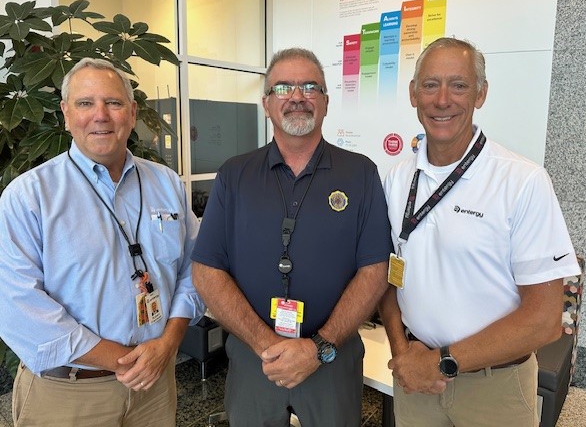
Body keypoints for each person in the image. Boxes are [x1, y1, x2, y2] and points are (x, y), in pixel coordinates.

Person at [379, 37, 582, 427]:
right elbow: (388, 276)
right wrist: (402, 352)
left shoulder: (522, 181)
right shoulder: (397, 178)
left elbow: (544, 320)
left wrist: (441, 362)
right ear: (412, 94)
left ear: (481, 94)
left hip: (495, 388)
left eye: (459, 85)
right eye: (430, 84)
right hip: (417, 381)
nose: (442, 100)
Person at [191, 47, 393, 426]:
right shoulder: (234, 175)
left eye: (310, 87)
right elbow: (206, 271)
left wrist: (319, 347)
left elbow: (375, 270)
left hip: (332, 359)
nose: (297, 97)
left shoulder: (361, 173)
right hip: (256, 360)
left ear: (326, 103)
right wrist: (266, 345)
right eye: (283, 87)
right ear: (267, 103)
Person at [0, 58, 205, 426]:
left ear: (132, 112)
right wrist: (124, 360)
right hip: (69, 396)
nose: (100, 115)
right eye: (84, 103)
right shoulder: (29, 196)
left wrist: (168, 343)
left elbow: (195, 267)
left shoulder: (166, 182)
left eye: (113, 102)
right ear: (65, 113)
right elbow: (16, 306)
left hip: (154, 389)